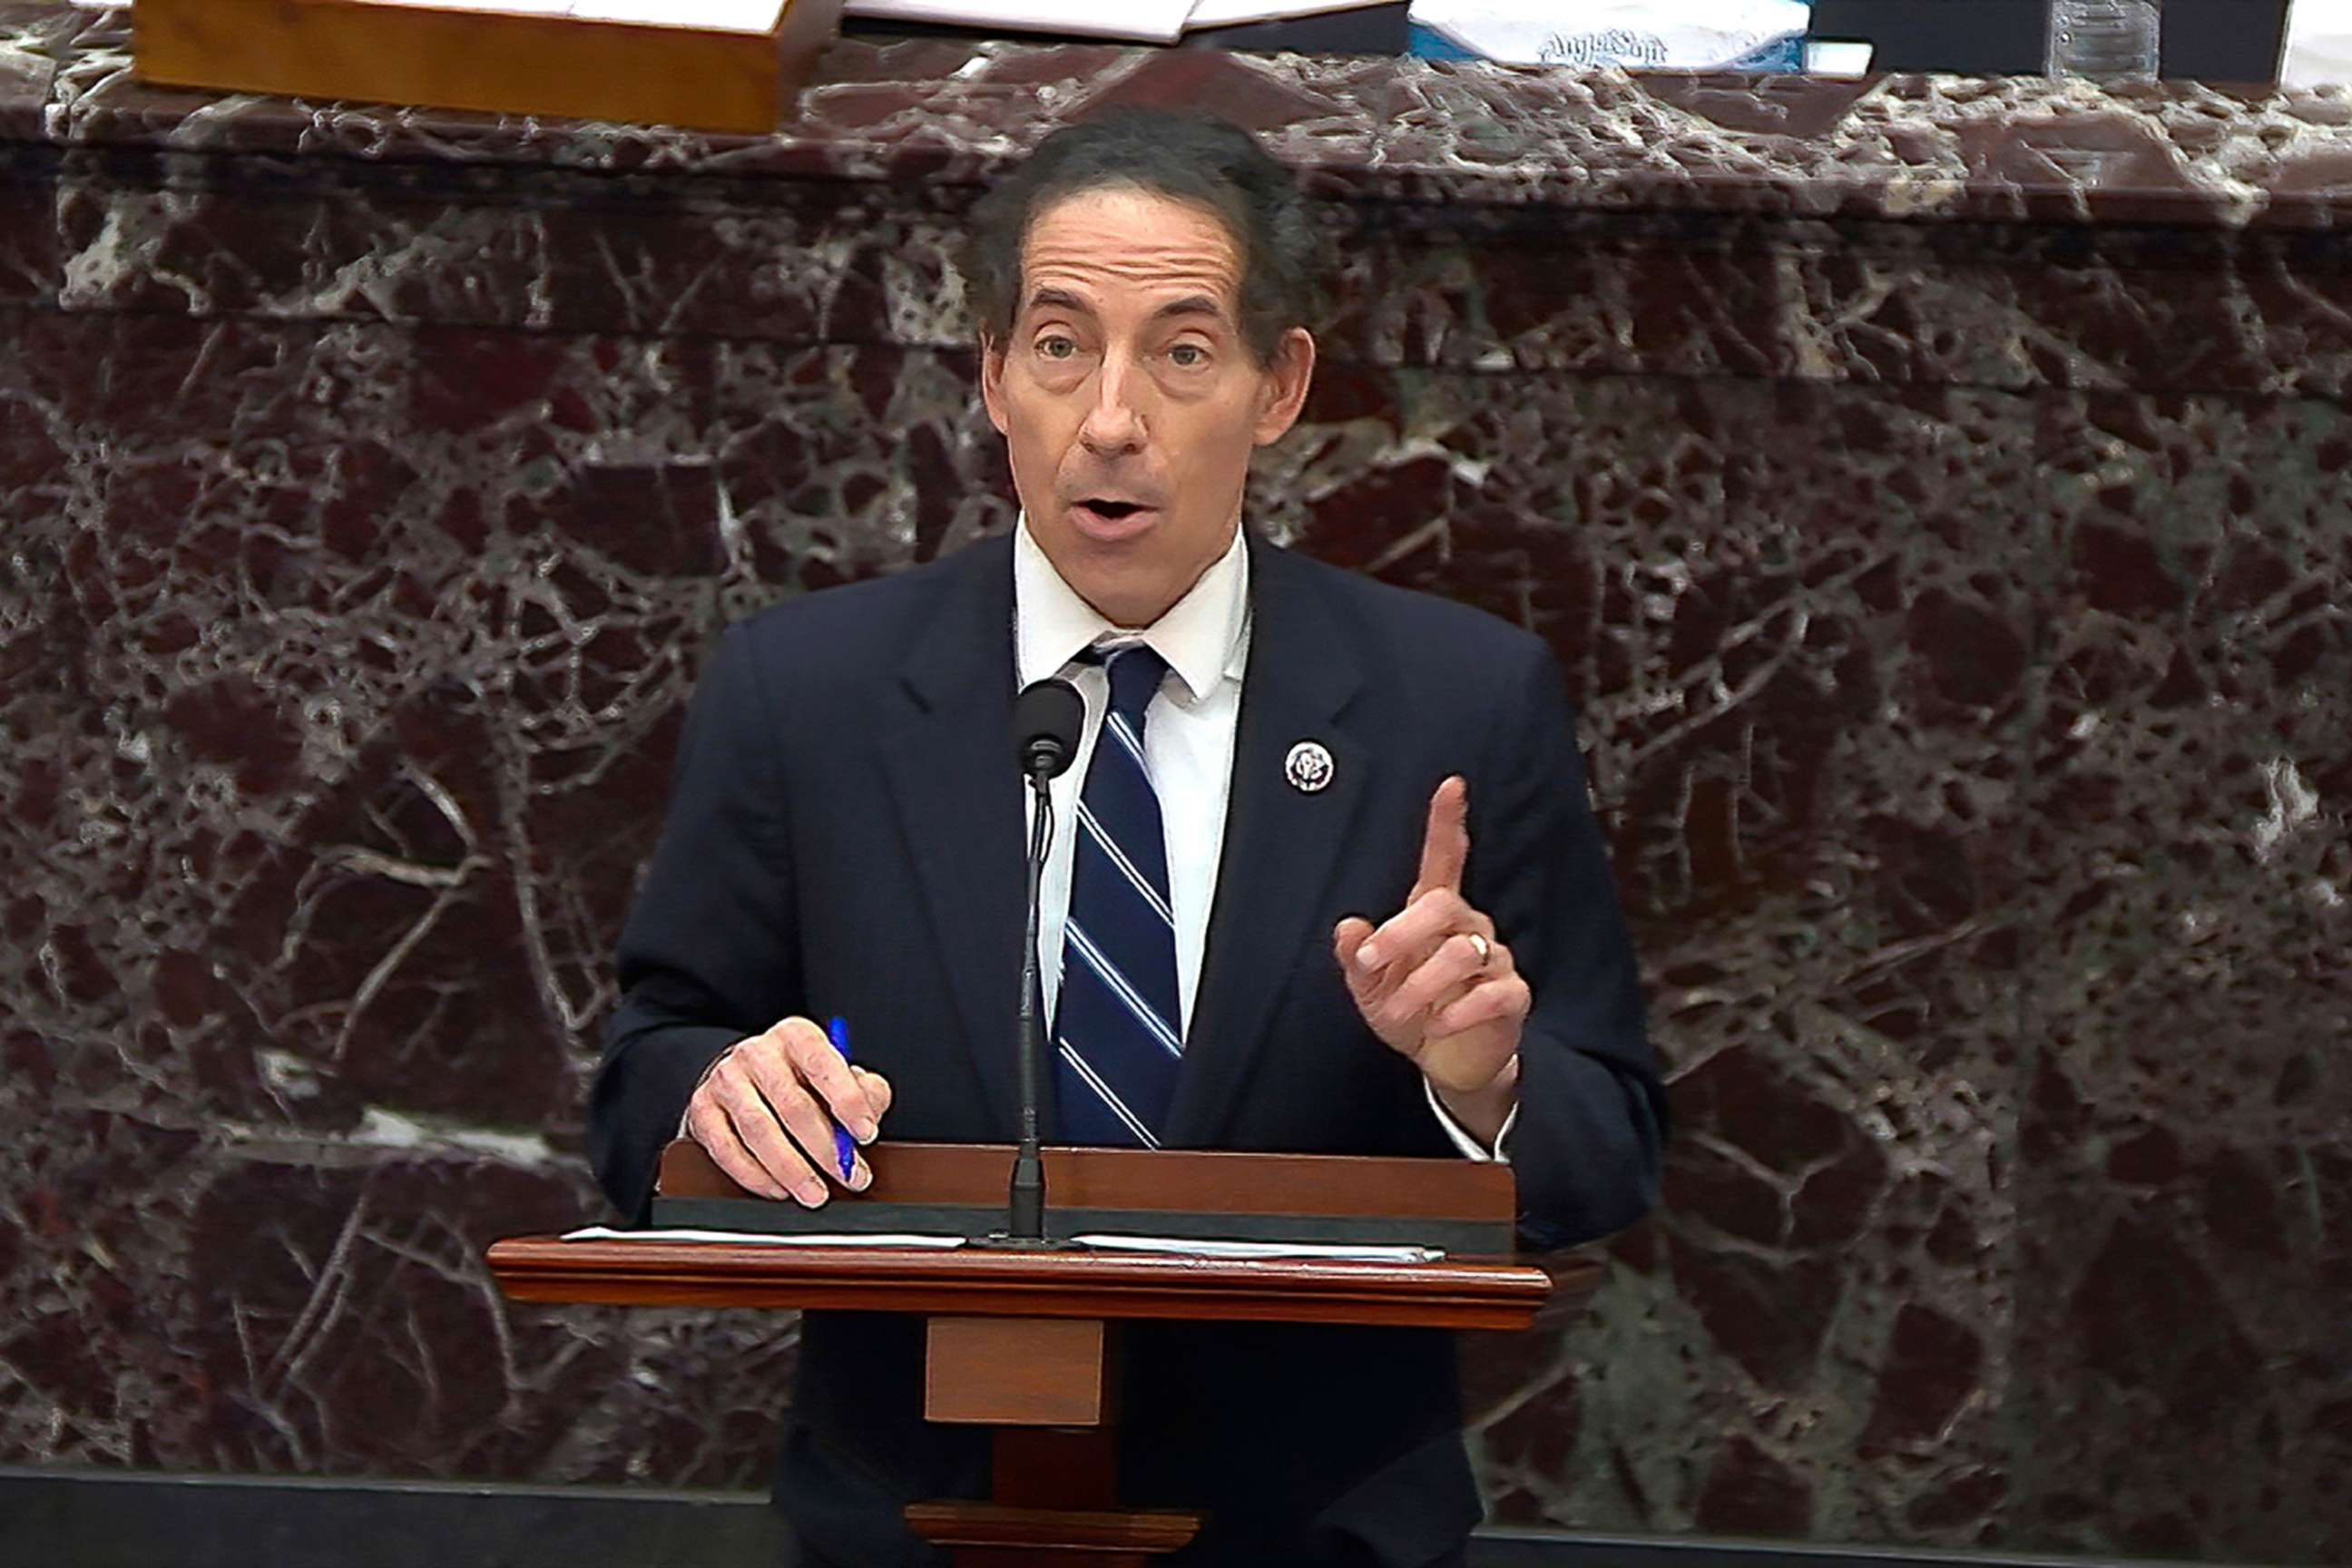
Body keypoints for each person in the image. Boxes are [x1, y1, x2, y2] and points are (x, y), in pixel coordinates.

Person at [588, 108, 1666, 1568]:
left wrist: (1483, 1085)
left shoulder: (1453, 705)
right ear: (991, 378)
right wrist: (727, 1087)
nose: (1111, 418)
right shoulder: (812, 695)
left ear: (1278, 386)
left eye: (1181, 349)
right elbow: (643, 1078)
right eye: (1058, 345)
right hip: (913, 1517)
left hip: (1321, 1529)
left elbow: (1609, 1157)